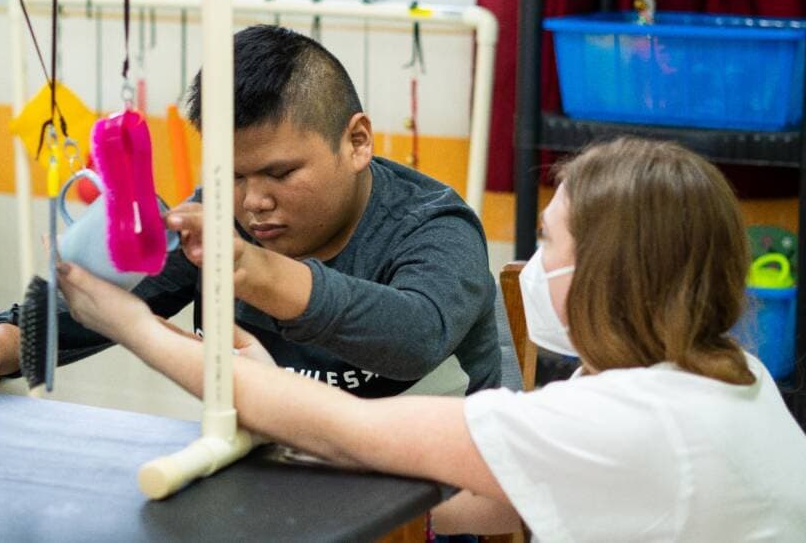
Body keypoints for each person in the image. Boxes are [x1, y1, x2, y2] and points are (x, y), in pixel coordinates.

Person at [56, 137, 806, 540]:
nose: (530, 267)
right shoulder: (725, 371)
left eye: (548, 245)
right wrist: (288, 435)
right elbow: (498, 502)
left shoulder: (628, 420)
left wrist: (120, 318)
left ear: (610, 272)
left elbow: (356, 427)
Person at [0, 24, 501, 408]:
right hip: (286, 480)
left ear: (357, 141)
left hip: (433, 497)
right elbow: (92, 306)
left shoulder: (434, 227)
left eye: (281, 174)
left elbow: (414, 335)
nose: (252, 202)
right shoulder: (217, 219)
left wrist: (254, 272)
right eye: (232, 176)